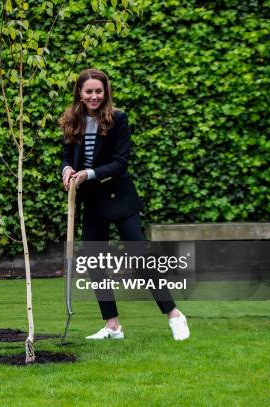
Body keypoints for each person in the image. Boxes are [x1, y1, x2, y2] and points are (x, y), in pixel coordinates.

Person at [60, 68, 189, 341]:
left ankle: (174, 314)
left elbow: (120, 163)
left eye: (98, 91)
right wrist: (68, 171)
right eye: (88, 92)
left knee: (140, 257)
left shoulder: (118, 119)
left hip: (119, 198)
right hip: (92, 201)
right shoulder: (73, 120)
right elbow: (66, 156)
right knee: (95, 263)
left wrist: (89, 173)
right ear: (80, 94)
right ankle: (112, 325)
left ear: (105, 92)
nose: (94, 96)